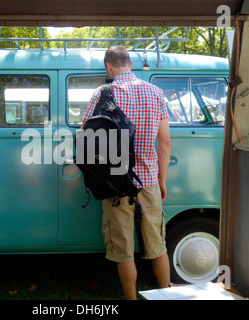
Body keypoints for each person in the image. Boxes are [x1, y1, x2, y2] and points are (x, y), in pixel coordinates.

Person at [81, 45, 172, 300]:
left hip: (116, 184)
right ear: (130, 64)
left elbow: (85, 136)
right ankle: (165, 293)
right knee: (157, 245)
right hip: (149, 182)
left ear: (109, 67)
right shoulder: (156, 93)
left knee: (123, 250)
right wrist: (161, 180)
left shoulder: (103, 93)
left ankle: (131, 299)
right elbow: (164, 142)